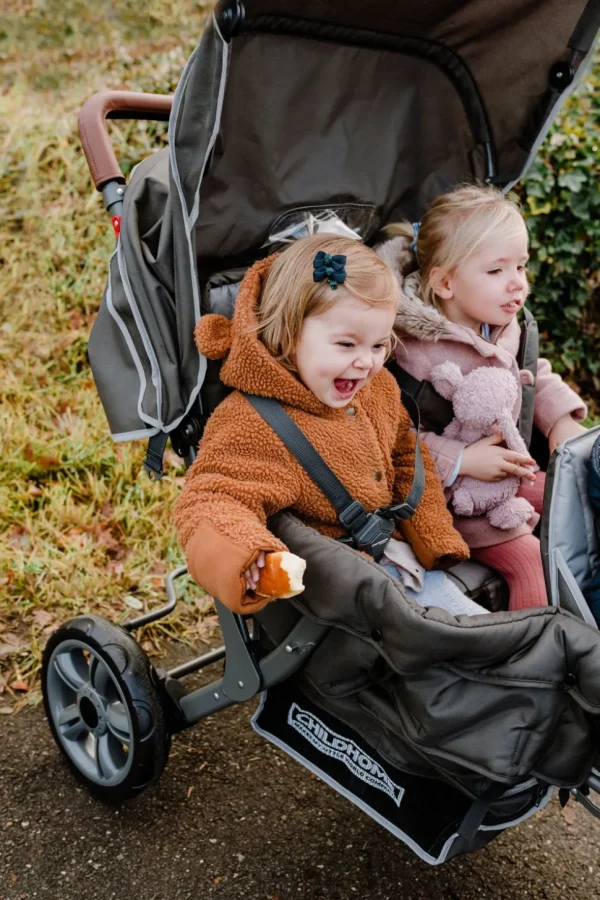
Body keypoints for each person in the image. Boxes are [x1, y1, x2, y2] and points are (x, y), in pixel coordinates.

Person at [173, 234, 475, 618]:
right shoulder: (252, 424)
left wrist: (432, 531)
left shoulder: (375, 388)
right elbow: (212, 499)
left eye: (379, 346)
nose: (367, 362)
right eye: (347, 345)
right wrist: (250, 556)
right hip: (336, 601)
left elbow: (403, 449)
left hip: (402, 565)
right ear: (289, 331)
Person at [376, 185, 587, 611]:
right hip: (451, 504)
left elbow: (530, 372)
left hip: (507, 478)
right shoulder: (409, 352)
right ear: (446, 282)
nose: (517, 284)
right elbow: (392, 439)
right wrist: (461, 461)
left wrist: (562, 421)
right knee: (529, 561)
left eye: (522, 267)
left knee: (575, 495)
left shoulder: (500, 324)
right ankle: (533, 662)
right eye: (496, 272)